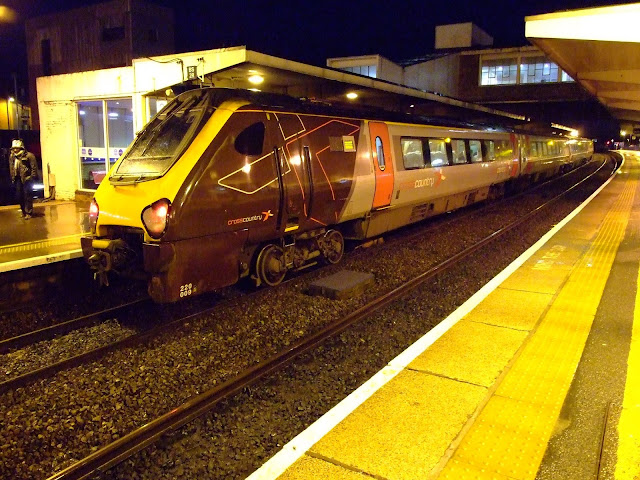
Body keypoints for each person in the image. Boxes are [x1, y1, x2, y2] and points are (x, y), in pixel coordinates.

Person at [8, 139, 38, 219]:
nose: (15, 150)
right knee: (19, 195)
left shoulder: (29, 156)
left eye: (16, 148)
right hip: (17, 178)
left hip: (27, 178)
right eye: (13, 148)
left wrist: (32, 177)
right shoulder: (12, 157)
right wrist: (12, 177)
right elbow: (11, 167)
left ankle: (29, 212)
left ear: (21, 148)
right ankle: (23, 211)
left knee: (27, 196)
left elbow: (33, 167)